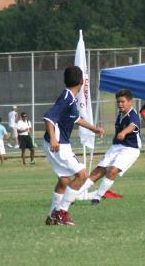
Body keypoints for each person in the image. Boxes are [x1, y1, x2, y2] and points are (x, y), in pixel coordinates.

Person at [43, 66, 104, 226]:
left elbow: (76, 119)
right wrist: (54, 139)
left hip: (54, 143)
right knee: (82, 175)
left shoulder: (69, 97)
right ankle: (61, 211)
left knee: (64, 181)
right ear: (82, 82)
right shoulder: (66, 98)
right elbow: (49, 118)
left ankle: (51, 216)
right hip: (59, 144)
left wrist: (94, 128)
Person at [77, 89, 142, 205]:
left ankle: (97, 197)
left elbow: (133, 125)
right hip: (116, 147)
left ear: (130, 102)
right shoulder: (119, 115)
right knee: (97, 171)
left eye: (123, 101)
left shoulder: (133, 114)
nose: (120, 104)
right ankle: (73, 195)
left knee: (112, 171)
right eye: (118, 102)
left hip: (130, 149)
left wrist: (124, 133)